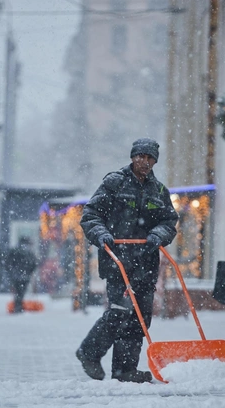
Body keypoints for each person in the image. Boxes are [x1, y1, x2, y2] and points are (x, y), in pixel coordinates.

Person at [76, 138, 178, 383]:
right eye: (140, 156)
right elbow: (91, 215)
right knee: (120, 311)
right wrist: (101, 234)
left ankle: (125, 370)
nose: (144, 162)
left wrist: (158, 235)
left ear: (154, 161)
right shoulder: (115, 183)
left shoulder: (159, 191)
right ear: (133, 157)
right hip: (118, 260)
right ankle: (89, 352)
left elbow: (169, 222)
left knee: (140, 318)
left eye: (149, 158)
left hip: (145, 262)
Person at [6, 237, 38, 313]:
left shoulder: (14, 251)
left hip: (15, 276)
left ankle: (17, 306)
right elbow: (34, 263)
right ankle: (19, 306)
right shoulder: (29, 252)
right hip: (25, 276)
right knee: (21, 292)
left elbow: (8, 262)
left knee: (17, 291)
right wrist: (30, 272)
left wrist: (11, 272)